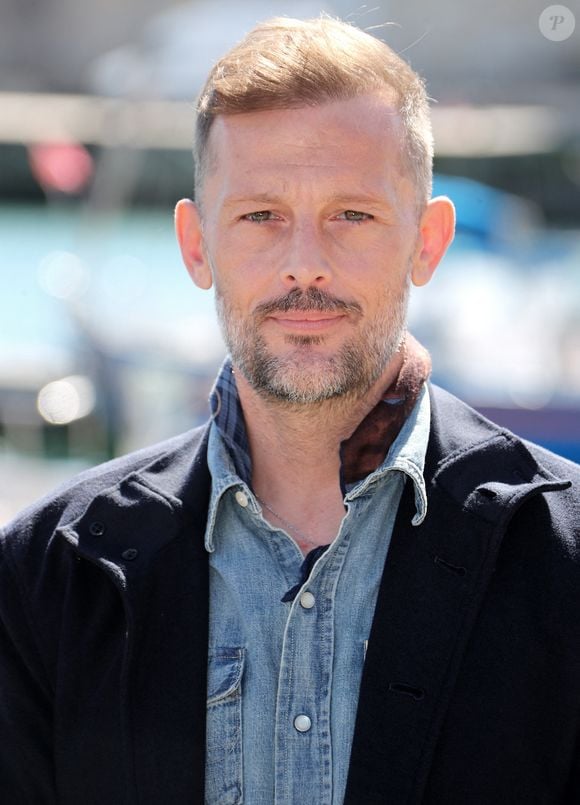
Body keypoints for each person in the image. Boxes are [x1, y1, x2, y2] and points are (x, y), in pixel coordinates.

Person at [1, 15, 579, 805]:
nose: (305, 265)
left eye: (352, 214)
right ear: (197, 244)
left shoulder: (563, 561)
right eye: (261, 215)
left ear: (427, 241)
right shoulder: (48, 575)